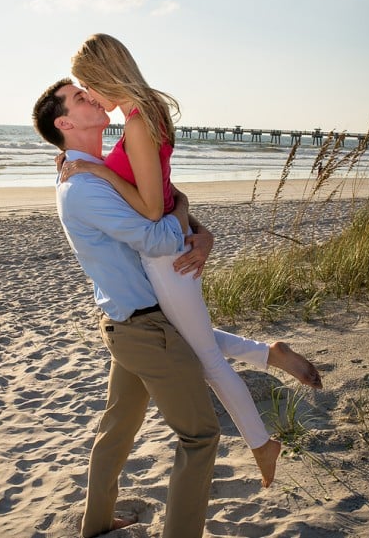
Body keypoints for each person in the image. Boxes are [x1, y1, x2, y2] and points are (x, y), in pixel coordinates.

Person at [33, 80, 321, 536]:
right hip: (145, 328)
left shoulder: (92, 170)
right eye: (79, 97)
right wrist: (189, 230)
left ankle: (97, 524)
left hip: (131, 322)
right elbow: (156, 235)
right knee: (200, 436)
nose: (91, 95)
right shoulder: (83, 186)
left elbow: (159, 198)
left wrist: (198, 230)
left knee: (118, 428)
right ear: (65, 123)